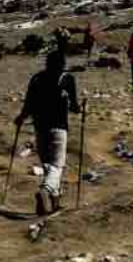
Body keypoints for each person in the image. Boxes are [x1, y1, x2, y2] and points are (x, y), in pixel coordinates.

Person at [14, 50, 82, 216]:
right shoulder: (67, 78)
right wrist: (79, 108)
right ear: (63, 64)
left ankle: (53, 203)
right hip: (58, 127)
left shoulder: (37, 78)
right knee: (57, 165)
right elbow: (74, 106)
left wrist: (21, 118)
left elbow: (29, 103)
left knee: (48, 165)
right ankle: (45, 191)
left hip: (40, 127)